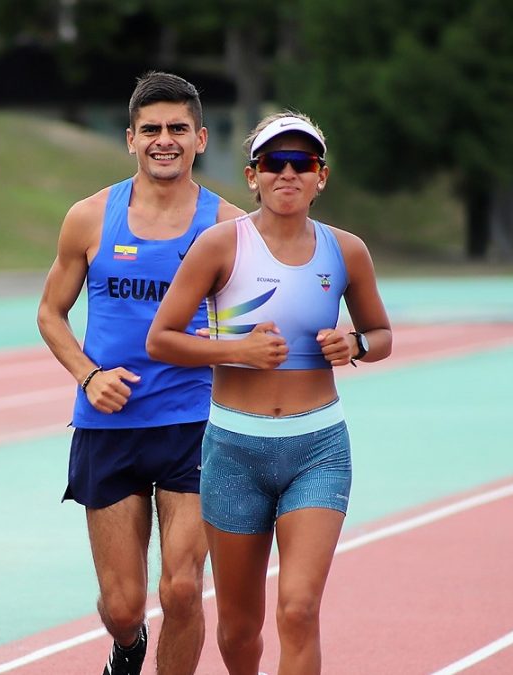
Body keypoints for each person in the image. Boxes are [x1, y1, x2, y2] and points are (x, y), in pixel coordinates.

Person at [146, 111, 392, 674]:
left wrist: (354, 344)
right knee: (238, 628)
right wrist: (235, 350)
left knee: (300, 608)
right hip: (234, 449)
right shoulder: (219, 246)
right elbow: (160, 340)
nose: (288, 173)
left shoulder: (347, 251)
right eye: (274, 163)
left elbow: (382, 336)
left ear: (320, 177)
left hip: (318, 449)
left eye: (301, 163)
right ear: (252, 175)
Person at [37, 71, 244, 675]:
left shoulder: (228, 226)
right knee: (123, 605)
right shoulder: (90, 217)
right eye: (151, 129)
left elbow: (255, 324)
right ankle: (127, 650)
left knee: (182, 589)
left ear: (200, 138)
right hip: (109, 425)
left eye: (178, 129)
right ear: (130, 138)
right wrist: (87, 374)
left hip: (196, 425)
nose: (165, 140)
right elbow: (50, 313)